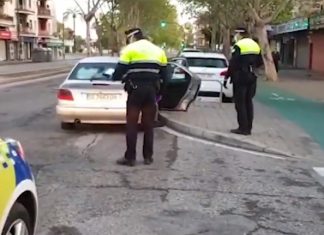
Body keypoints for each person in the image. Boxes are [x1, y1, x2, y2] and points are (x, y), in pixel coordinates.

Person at [111, 27, 168, 166]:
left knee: (132, 124)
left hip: (135, 91)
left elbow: (118, 72)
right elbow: (165, 75)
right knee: (148, 125)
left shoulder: (129, 50)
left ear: (132, 37)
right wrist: (159, 94)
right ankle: (148, 157)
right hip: (151, 91)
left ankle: (130, 158)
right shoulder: (159, 51)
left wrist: (118, 77)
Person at [224, 29, 262, 135]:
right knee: (248, 102)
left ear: (240, 36)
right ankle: (249, 127)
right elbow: (260, 62)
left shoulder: (239, 46)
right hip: (252, 77)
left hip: (240, 77)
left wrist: (227, 77)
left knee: (240, 103)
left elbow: (233, 63)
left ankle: (242, 128)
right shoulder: (255, 45)